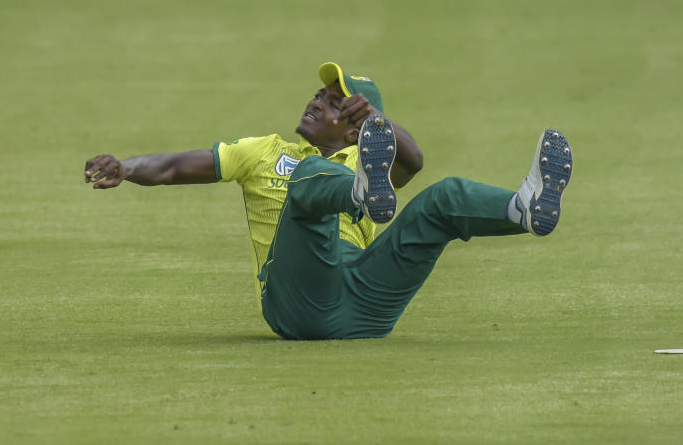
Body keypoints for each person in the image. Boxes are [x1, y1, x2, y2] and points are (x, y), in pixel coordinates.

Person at [84, 63, 573, 340]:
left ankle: (520, 209)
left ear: (358, 128)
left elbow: (415, 164)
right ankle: (354, 193)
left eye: (334, 103)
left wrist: (381, 121)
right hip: (296, 302)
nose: (317, 102)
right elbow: (172, 167)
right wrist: (126, 168)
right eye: (319, 95)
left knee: (441, 198)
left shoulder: (384, 163)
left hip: (367, 306)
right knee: (310, 177)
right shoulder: (266, 152)